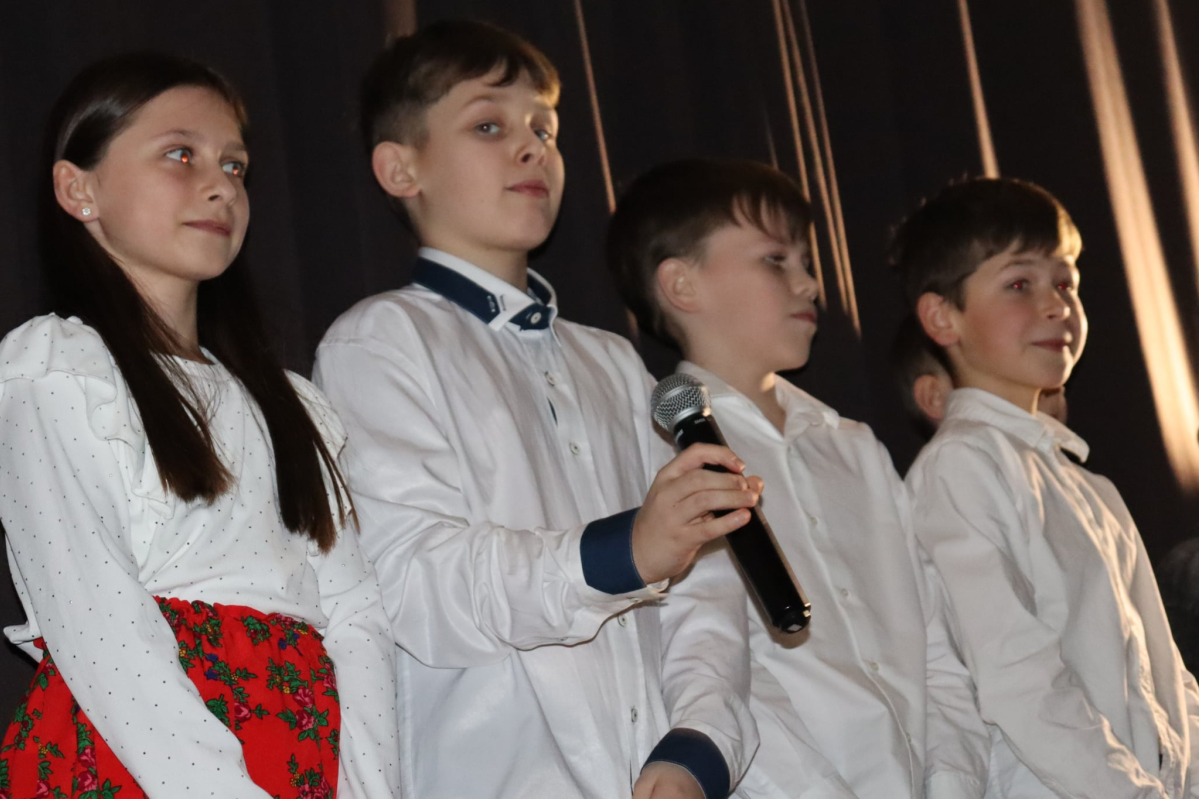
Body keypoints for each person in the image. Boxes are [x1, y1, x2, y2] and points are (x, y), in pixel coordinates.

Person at [314, 21, 758, 799]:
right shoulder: (380, 340)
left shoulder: (613, 362)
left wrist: (699, 740)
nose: (531, 148)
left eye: (544, 129)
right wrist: (623, 552)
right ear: (400, 168)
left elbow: (705, 576)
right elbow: (412, 579)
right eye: (489, 126)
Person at [0, 52, 400, 798]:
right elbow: (98, 620)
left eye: (235, 166)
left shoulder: (287, 404)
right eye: (180, 155)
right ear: (79, 189)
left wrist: (370, 786)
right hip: (140, 755)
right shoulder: (59, 371)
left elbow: (356, 613)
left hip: (300, 747)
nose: (221, 185)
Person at [607, 157, 988, 799]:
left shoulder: (855, 448)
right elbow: (720, 663)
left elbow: (935, 649)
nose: (810, 284)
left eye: (807, 262)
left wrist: (950, 783)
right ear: (681, 285)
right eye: (775, 261)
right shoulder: (661, 457)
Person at [898, 176, 1199, 797]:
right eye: (1020, 284)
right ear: (942, 317)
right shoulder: (960, 467)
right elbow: (1017, 676)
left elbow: (1166, 681)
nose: (1057, 305)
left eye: (1066, 284)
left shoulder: (1089, 486)